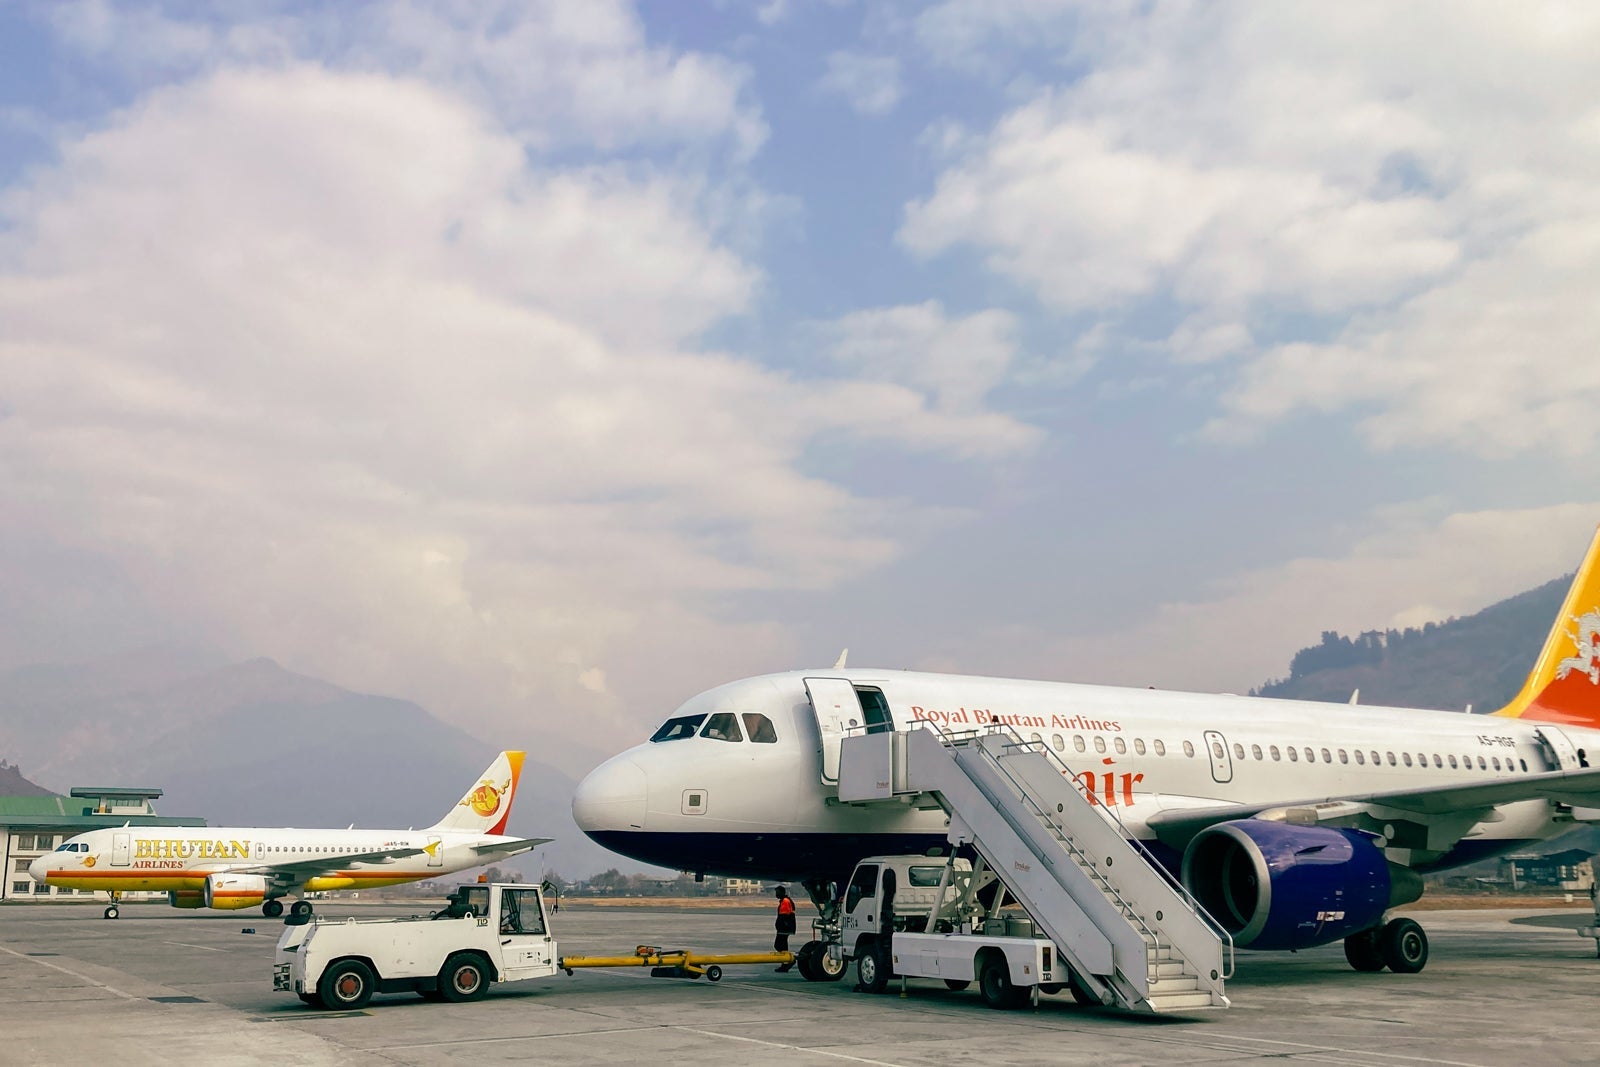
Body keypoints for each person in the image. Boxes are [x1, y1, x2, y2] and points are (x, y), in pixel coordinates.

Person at [773, 885, 797, 972]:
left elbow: (784, 915)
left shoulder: (785, 901)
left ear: (782, 892)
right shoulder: (784, 901)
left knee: (779, 945)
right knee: (782, 946)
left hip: (784, 928)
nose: (776, 894)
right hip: (784, 928)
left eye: (777, 892)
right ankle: (785, 963)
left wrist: (781, 925)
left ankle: (789, 960)